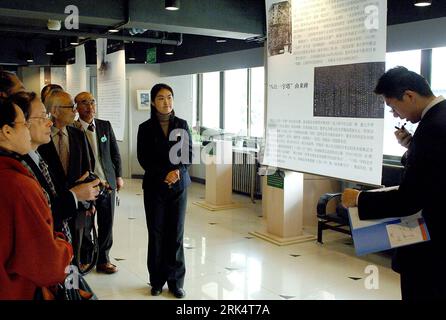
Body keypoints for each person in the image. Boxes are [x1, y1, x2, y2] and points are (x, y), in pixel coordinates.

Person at [342, 66, 446, 300]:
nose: (396, 115)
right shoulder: (440, 118)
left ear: (409, 95)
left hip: (431, 247)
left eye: (393, 107)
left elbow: (409, 199)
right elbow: (436, 170)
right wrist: (412, 146)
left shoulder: (433, 128)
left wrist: (359, 198)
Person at [0, 98, 73, 299]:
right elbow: (46, 262)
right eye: (24, 123)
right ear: (7, 131)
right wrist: (64, 245)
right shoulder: (17, 184)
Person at [10, 91, 100, 241]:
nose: (49, 122)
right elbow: (42, 214)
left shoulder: (37, 157)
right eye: (42, 117)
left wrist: (82, 194)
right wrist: (75, 195)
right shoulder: (18, 168)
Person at [137, 83, 192, 298]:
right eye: (161, 98)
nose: (166, 102)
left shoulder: (182, 124)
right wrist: (164, 174)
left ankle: (176, 282)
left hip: (179, 186)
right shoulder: (145, 128)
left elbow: (187, 154)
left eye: (169, 97)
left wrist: (177, 171)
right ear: (153, 102)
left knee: (176, 233)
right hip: (155, 187)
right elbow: (144, 158)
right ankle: (157, 281)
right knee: (157, 233)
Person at [73, 91, 124, 274]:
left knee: (106, 223)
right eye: (84, 103)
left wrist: (118, 176)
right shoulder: (73, 128)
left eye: (92, 102)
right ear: (77, 107)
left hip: (107, 183)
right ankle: (86, 258)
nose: (90, 106)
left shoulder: (104, 126)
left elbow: (114, 153)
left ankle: (103, 259)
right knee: (85, 224)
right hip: (86, 185)